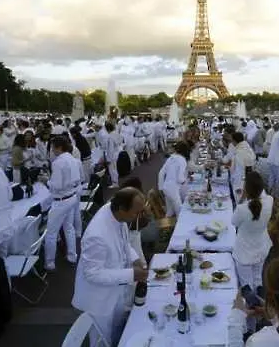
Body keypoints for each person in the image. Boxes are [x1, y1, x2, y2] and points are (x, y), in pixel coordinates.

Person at [71, 187, 148, 347]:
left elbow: (124, 242)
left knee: (116, 334)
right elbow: (92, 274)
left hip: (116, 291)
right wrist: (131, 274)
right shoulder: (96, 235)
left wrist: (134, 259)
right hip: (99, 300)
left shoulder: (115, 214)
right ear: (121, 209)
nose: (138, 216)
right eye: (135, 212)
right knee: (101, 341)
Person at [42, 135, 80, 271]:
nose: (51, 150)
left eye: (52, 148)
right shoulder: (73, 159)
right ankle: (72, 255)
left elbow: (56, 185)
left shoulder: (58, 162)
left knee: (51, 233)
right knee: (69, 228)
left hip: (61, 201)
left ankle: (50, 263)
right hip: (71, 197)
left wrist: (46, 180)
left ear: (58, 148)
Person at [231, 172, 273, 293]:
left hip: (244, 250)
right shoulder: (269, 201)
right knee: (258, 280)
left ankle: (251, 307)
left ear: (246, 189)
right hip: (261, 246)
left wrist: (242, 198)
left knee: (246, 284)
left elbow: (234, 222)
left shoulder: (242, 209)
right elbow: (261, 196)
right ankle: (261, 305)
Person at [157, 140, 189, 217]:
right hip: (173, 189)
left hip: (166, 187)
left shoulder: (170, 159)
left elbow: (161, 173)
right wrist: (184, 181)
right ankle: (181, 228)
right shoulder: (182, 160)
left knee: (170, 211)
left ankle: (166, 227)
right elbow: (180, 179)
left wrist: (160, 187)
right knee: (180, 212)